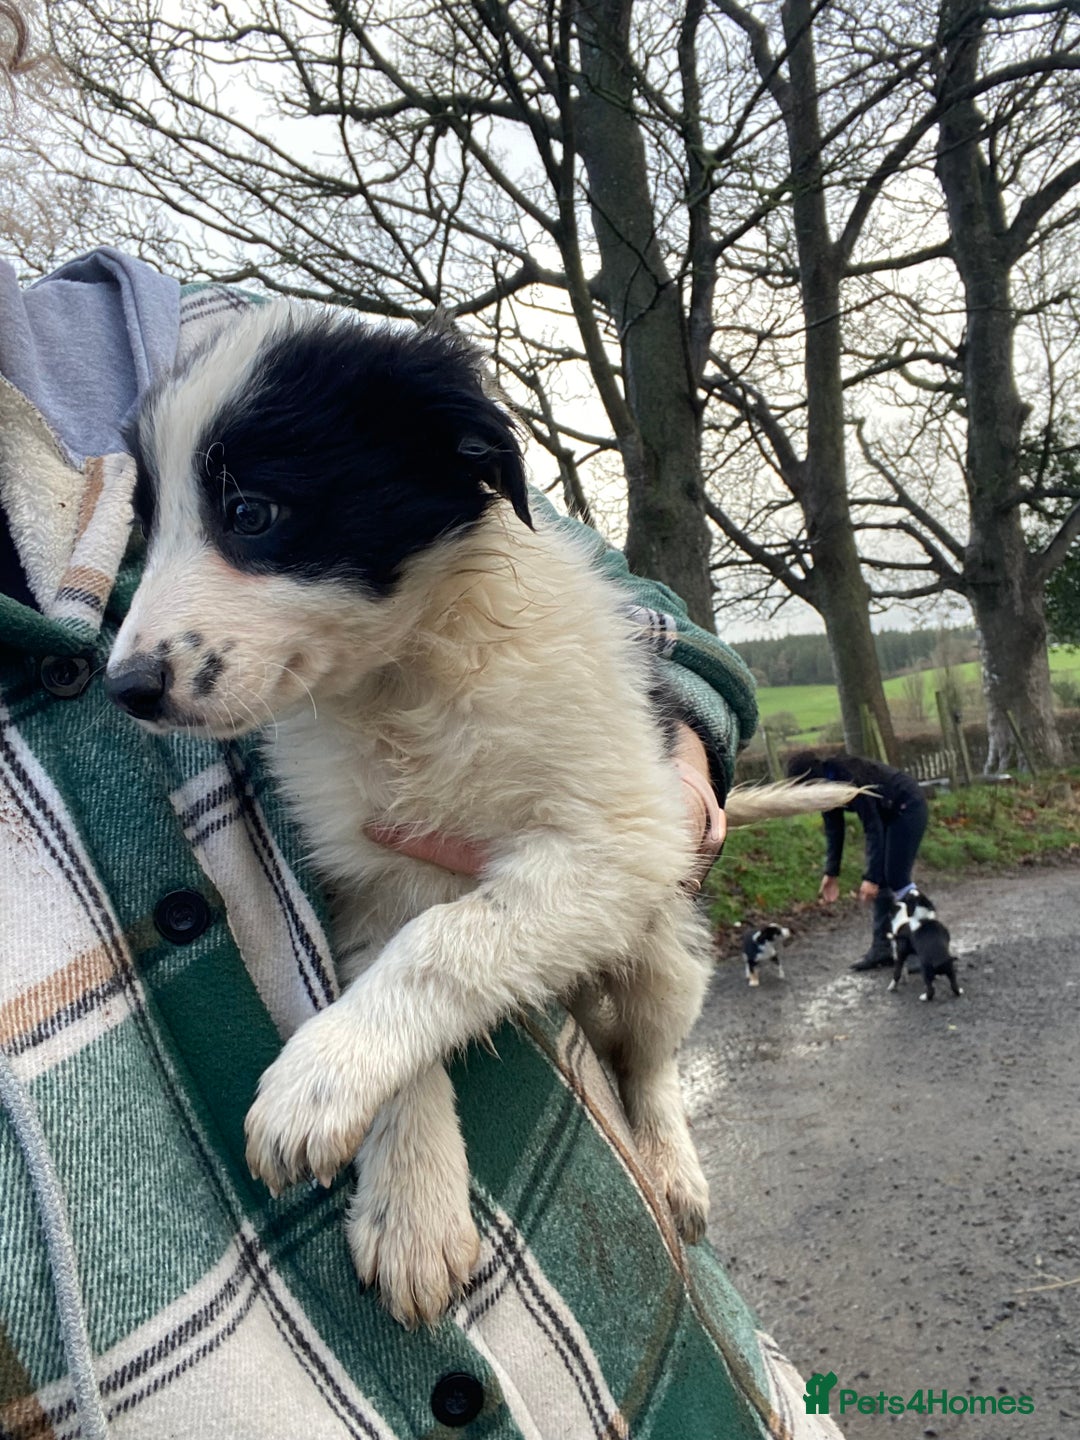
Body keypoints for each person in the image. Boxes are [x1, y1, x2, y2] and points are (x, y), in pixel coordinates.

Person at [0, 12, 847, 1439]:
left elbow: (631, 620)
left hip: (602, 1326)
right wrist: (407, 1097)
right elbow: (375, 894)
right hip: (175, 1370)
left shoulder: (170, 347)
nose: (154, 621)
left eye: (245, 521)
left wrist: (679, 734)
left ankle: (664, 1105)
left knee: (647, 1002)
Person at [786, 749, 930, 972]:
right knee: (885, 877)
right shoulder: (827, 787)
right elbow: (834, 830)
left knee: (896, 878)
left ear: (810, 780)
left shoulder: (850, 780)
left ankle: (925, 945)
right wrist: (831, 873)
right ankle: (882, 949)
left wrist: (871, 878)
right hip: (888, 811)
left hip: (907, 806)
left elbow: (873, 829)